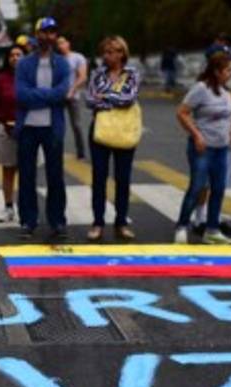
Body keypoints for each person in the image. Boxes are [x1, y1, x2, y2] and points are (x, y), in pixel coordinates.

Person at [15, 17, 71, 241]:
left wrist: (37, 95)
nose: (48, 36)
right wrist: (49, 96)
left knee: (55, 176)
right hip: (28, 127)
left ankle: (57, 221)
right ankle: (28, 221)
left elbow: (62, 93)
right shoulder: (24, 64)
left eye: (53, 32)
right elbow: (21, 94)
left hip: (52, 127)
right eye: (44, 32)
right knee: (27, 176)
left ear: (56, 36)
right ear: (36, 35)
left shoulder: (63, 64)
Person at [174, 52, 231, 246]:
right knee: (197, 187)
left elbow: (229, 117)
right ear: (216, 71)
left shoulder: (226, 92)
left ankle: (212, 230)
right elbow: (182, 113)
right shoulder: (201, 89)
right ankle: (181, 227)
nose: (230, 74)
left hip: (222, 149)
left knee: (218, 189)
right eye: (227, 70)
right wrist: (197, 135)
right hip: (203, 148)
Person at [85, 35, 141, 242]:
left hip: (124, 130)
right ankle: (97, 222)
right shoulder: (97, 73)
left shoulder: (132, 73)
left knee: (123, 178)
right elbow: (90, 99)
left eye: (112, 52)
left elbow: (130, 98)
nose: (107, 56)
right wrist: (110, 99)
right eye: (105, 52)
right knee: (99, 178)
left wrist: (105, 97)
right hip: (100, 130)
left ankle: (121, 223)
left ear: (122, 53)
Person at [0, 46, 22, 223]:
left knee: (28, 172)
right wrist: (5, 121)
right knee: (8, 170)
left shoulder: (31, 78)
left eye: (19, 55)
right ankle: (8, 206)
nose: (15, 58)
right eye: (12, 55)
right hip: (7, 130)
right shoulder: (1, 80)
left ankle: (27, 209)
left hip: (29, 131)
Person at [58, 35, 89, 160]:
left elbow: (82, 76)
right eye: (58, 44)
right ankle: (56, 151)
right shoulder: (57, 59)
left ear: (68, 43)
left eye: (62, 43)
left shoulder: (77, 57)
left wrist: (72, 90)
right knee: (57, 126)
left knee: (76, 124)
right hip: (59, 96)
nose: (60, 45)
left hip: (73, 95)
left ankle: (80, 152)